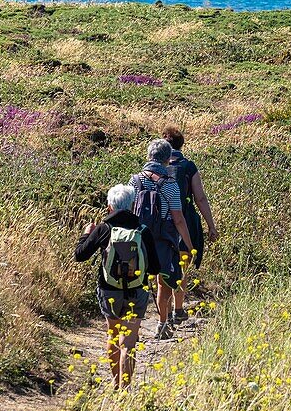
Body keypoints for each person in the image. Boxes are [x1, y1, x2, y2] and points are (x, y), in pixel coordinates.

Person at [75, 184, 161, 388]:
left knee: (113, 335)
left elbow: (80, 255)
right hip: (136, 290)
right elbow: (155, 268)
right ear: (132, 205)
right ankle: (126, 389)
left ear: (109, 207)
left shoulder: (104, 229)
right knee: (129, 343)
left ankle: (115, 385)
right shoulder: (142, 231)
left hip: (109, 289)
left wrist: (87, 234)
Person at [130, 139, 196, 340]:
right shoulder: (170, 184)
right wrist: (189, 244)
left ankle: (134, 328)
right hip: (164, 238)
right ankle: (162, 324)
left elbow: (130, 208)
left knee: (137, 281)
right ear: (168, 159)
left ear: (149, 156)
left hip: (139, 236)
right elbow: (178, 218)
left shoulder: (136, 180)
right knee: (163, 282)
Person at [162, 126, 220, 325]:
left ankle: (165, 313)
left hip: (161, 223)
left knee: (162, 267)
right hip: (186, 220)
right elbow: (200, 198)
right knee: (182, 265)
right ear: (181, 144)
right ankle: (178, 309)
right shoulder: (189, 167)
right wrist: (211, 225)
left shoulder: (155, 167)